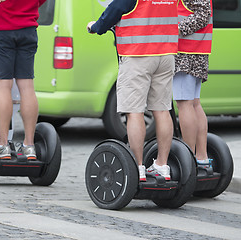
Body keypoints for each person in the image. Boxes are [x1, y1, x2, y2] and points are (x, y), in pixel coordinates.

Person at [87, 0, 179, 181]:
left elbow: (115, 10)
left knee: (134, 111)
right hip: (166, 54)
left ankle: (138, 168)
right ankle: (162, 166)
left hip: (139, 55)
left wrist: (96, 26)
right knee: (162, 110)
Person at [0, 0, 46, 160]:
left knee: (3, 86)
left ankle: (3, 145)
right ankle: (29, 145)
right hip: (28, 28)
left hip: (1, 26)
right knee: (27, 86)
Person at [173, 0, 213, 169]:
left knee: (185, 104)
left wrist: (173, 30)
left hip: (186, 53)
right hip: (196, 52)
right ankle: (201, 158)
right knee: (194, 104)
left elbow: (202, 14)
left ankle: (188, 158)